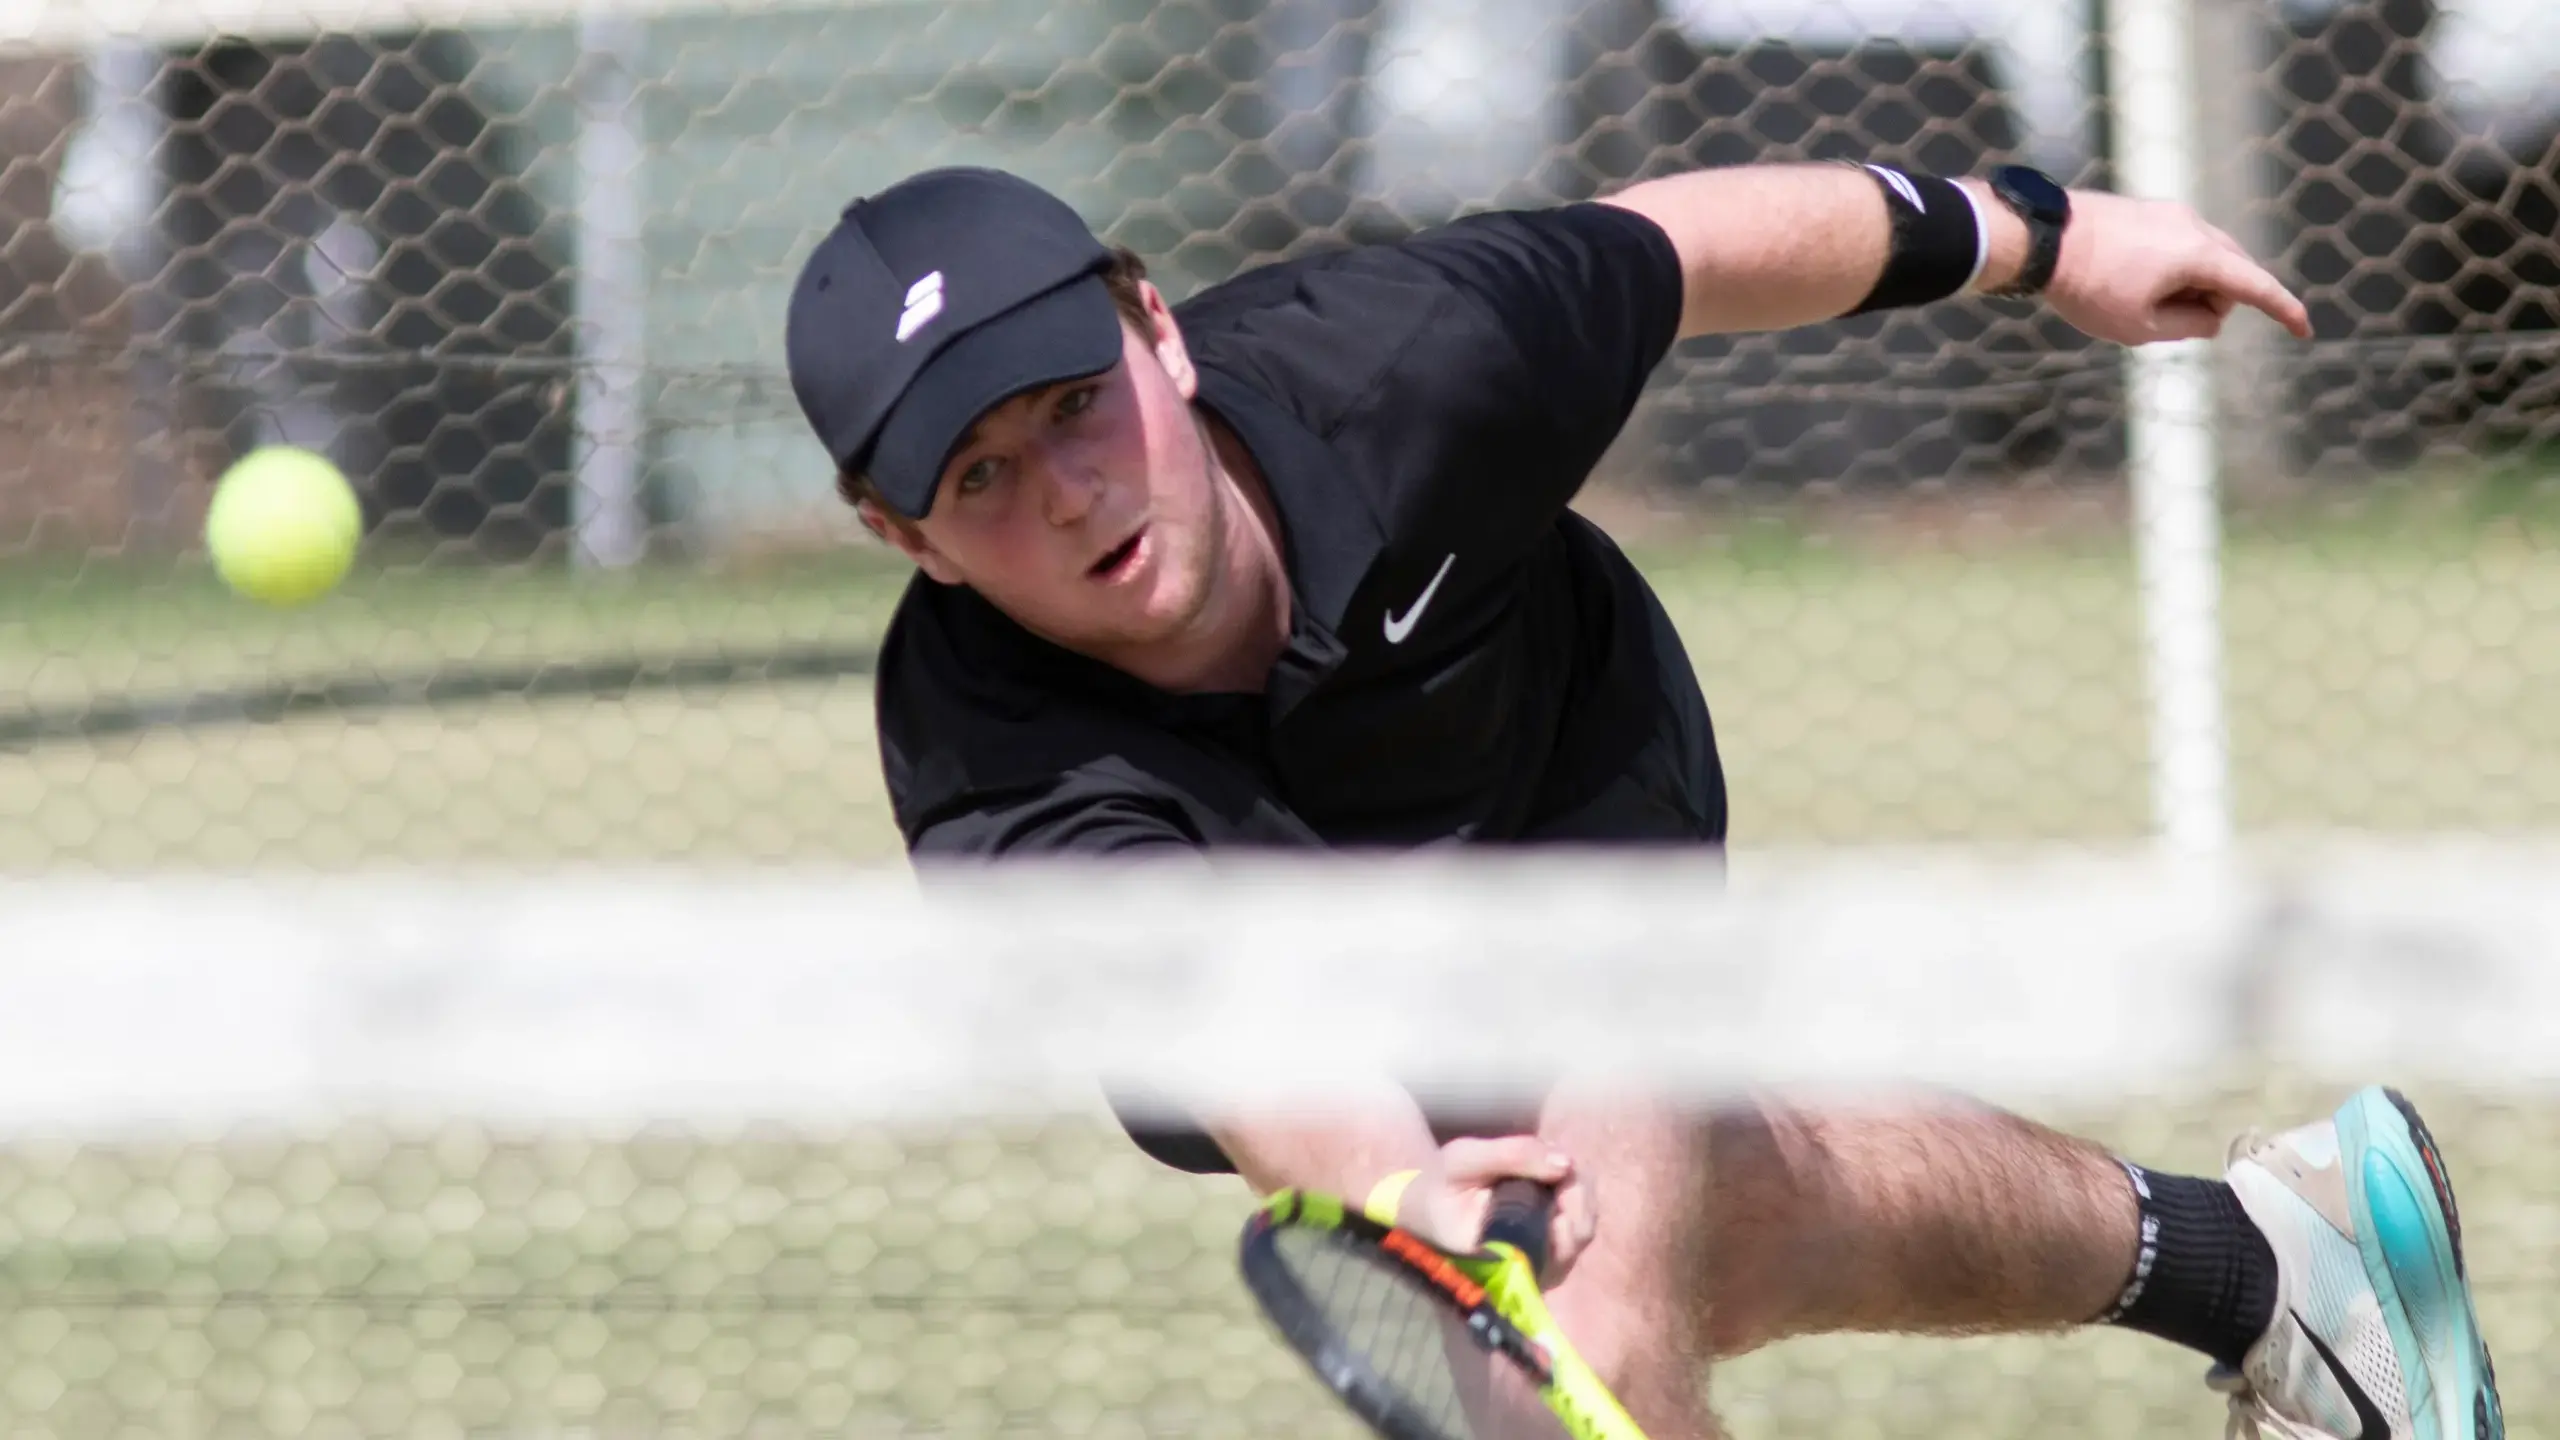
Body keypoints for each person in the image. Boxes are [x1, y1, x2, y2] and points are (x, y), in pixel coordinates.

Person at [782, 160, 2502, 1440]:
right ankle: (2272, 1263)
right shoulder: (985, 755)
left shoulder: (1419, 368)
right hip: (1316, 975)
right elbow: (1234, 1026)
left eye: (1077, 403)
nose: (1068, 491)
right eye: (981, 474)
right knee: (1721, 1240)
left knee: (1573, 1353)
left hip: (1567, 804)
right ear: (902, 536)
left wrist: (2052, 236)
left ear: (1158, 330)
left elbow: (1675, 246)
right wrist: (1403, 1198)